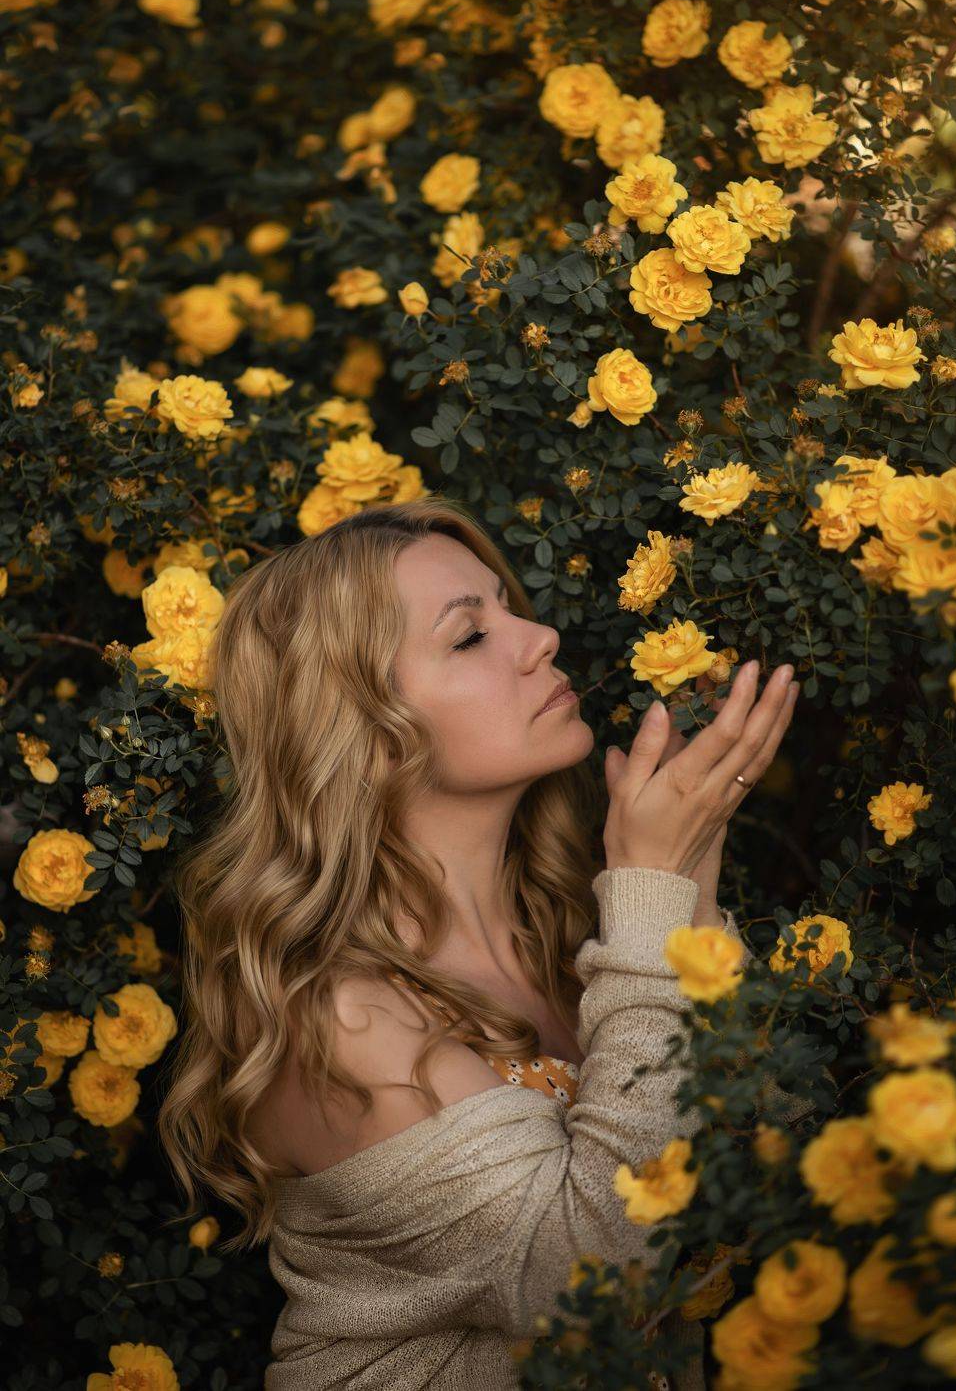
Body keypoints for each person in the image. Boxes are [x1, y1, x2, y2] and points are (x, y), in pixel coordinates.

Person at [156, 494, 799, 1391]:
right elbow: (590, 1278)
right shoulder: (335, 1021)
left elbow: (767, 1168)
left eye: (508, 606)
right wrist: (658, 889)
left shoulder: (574, 933)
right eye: (468, 637)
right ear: (368, 734)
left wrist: (687, 882)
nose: (540, 639)